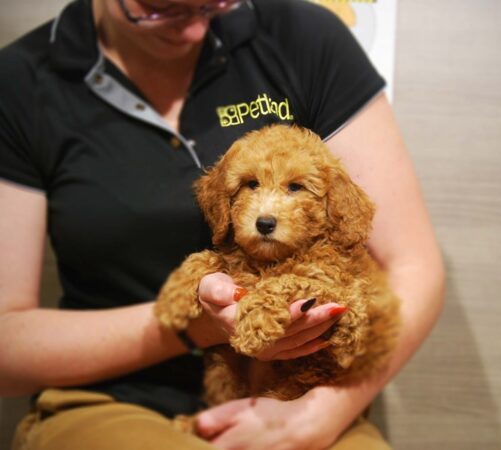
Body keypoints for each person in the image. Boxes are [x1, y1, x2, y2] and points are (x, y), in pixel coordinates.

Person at [0, 0, 445, 449]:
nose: (194, 29)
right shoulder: (20, 82)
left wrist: (323, 412)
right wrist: (199, 327)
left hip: (305, 398)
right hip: (112, 398)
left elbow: (413, 265)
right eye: (158, 8)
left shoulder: (303, 38)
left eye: (214, 3)